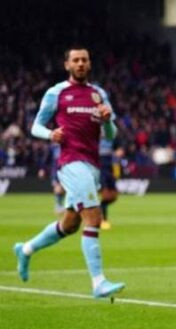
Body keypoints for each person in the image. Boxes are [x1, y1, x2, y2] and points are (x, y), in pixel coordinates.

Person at [13, 46, 125, 298]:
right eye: (76, 60)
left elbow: (111, 135)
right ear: (67, 65)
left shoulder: (98, 94)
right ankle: (98, 283)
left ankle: (26, 249)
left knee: (70, 224)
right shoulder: (57, 93)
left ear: (90, 63)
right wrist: (50, 134)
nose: (81, 63)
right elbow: (35, 126)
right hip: (70, 162)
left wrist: (108, 121)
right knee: (94, 219)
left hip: (92, 164)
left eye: (85, 59)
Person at [99, 135, 118, 229]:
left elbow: (118, 150)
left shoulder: (110, 136)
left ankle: (98, 207)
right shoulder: (93, 138)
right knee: (105, 194)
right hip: (100, 170)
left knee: (114, 196)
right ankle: (104, 220)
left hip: (110, 169)